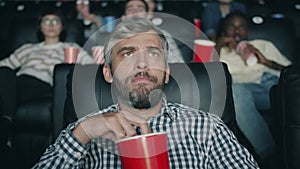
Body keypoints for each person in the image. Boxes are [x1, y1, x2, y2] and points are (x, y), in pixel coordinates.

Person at [33, 17, 259, 169]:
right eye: (128, 54)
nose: (142, 64)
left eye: (152, 54)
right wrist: (83, 133)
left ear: (167, 72)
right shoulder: (82, 131)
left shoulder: (207, 128)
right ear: (108, 73)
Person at [216, 11, 291, 168]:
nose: (236, 31)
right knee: (235, 92)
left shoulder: (263, 44)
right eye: (231, 27)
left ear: (247, 31)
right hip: (246, 91)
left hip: (276, 85)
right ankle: (271, 157)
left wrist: (267, 62)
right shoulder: (219, 51)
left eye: (241, 27)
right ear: (224, 31)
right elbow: (203, 78)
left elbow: (293, 74)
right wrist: (216, 47)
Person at [0, 10, 93, 124]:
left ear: (62, 27)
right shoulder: (28, 48)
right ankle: (6, 122)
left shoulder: (71, 48)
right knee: (4, 73)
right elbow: (5, 65)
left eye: (55, 21)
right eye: (46, 21)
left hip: (43, 85)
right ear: (40, 27)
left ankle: (5, 125)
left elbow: (91, 66)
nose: (51, 25)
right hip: (19, 82)